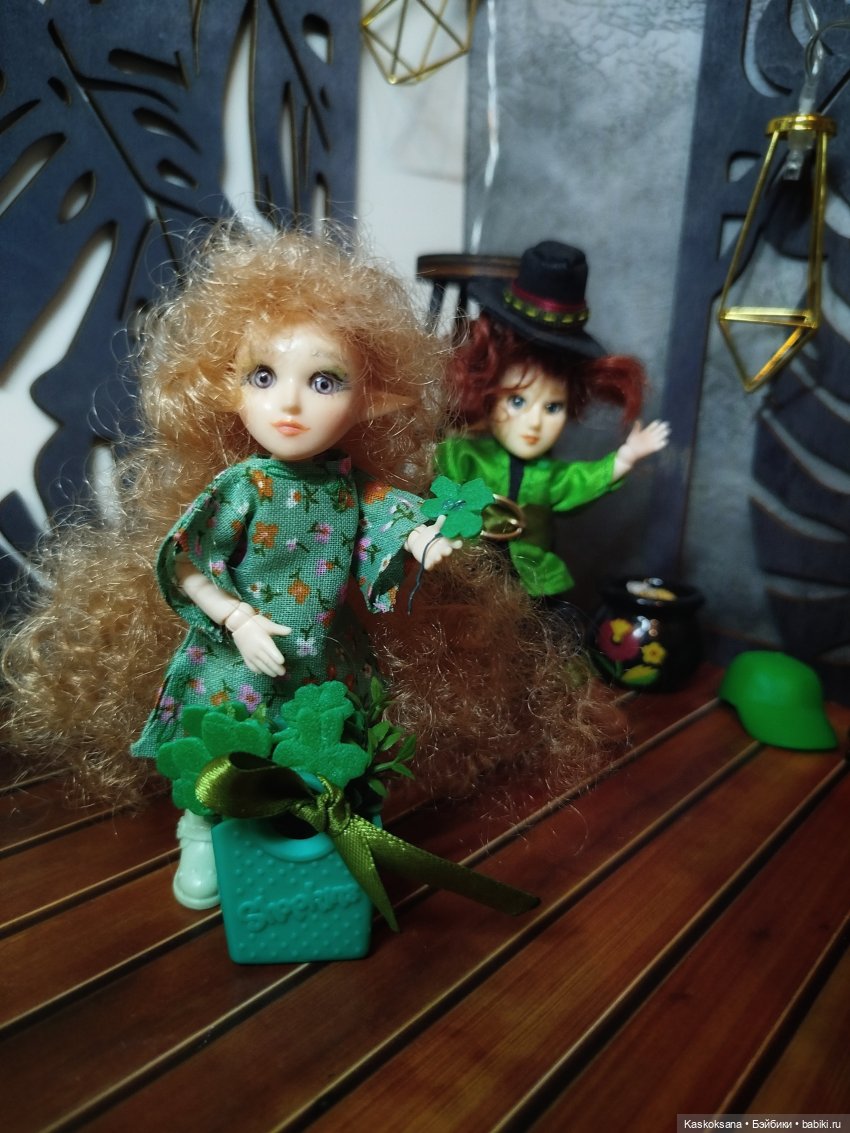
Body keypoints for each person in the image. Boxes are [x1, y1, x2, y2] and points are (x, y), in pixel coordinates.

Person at [1, 223, 615, 911]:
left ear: (371, 399)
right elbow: (187, 562)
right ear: (226, 387)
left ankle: (306, 829)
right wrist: (236, 620)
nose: (290, 403)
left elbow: (395, 520)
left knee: (322, 747)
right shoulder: (240, 489)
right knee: (222, 744)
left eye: (324, 380)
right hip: (239, 653)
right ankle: (202, 827)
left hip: (326, 654)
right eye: (263, 376)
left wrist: (421, 542)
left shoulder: (355, 488)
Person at [437, 241, 670, 606]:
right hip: (469, 577)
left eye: (553, 407)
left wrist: (625, 458)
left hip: (534, 583)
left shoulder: (548, 476)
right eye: (517, 401)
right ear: (489, 394)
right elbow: (435, 479)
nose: (534, 423)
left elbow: (578, 481)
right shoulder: (465, 455)